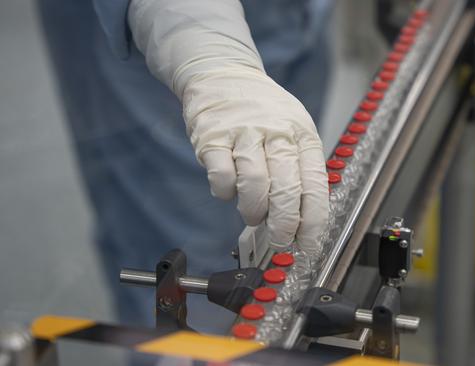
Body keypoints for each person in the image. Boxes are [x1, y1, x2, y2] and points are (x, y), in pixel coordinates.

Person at [37, 0, 332, 332]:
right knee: (187, 270)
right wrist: (209, 51)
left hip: (291, 15)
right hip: (160, 32)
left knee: (278, 204)